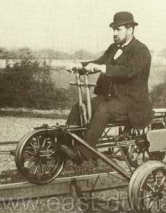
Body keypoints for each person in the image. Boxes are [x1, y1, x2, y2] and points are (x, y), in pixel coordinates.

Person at [63, 11, 153, 165]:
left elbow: (128, 71)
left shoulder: (141, 50)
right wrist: (79, 65)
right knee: (80, 107)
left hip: (132, 101)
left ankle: (83, 152)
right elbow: (99, 61)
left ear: (130, 29)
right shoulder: (114, 47)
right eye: (114, 29)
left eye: (119, 29)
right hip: (112, 98)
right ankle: (65, 145)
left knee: (104, 110)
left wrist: (103, 68)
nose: (115, 33)